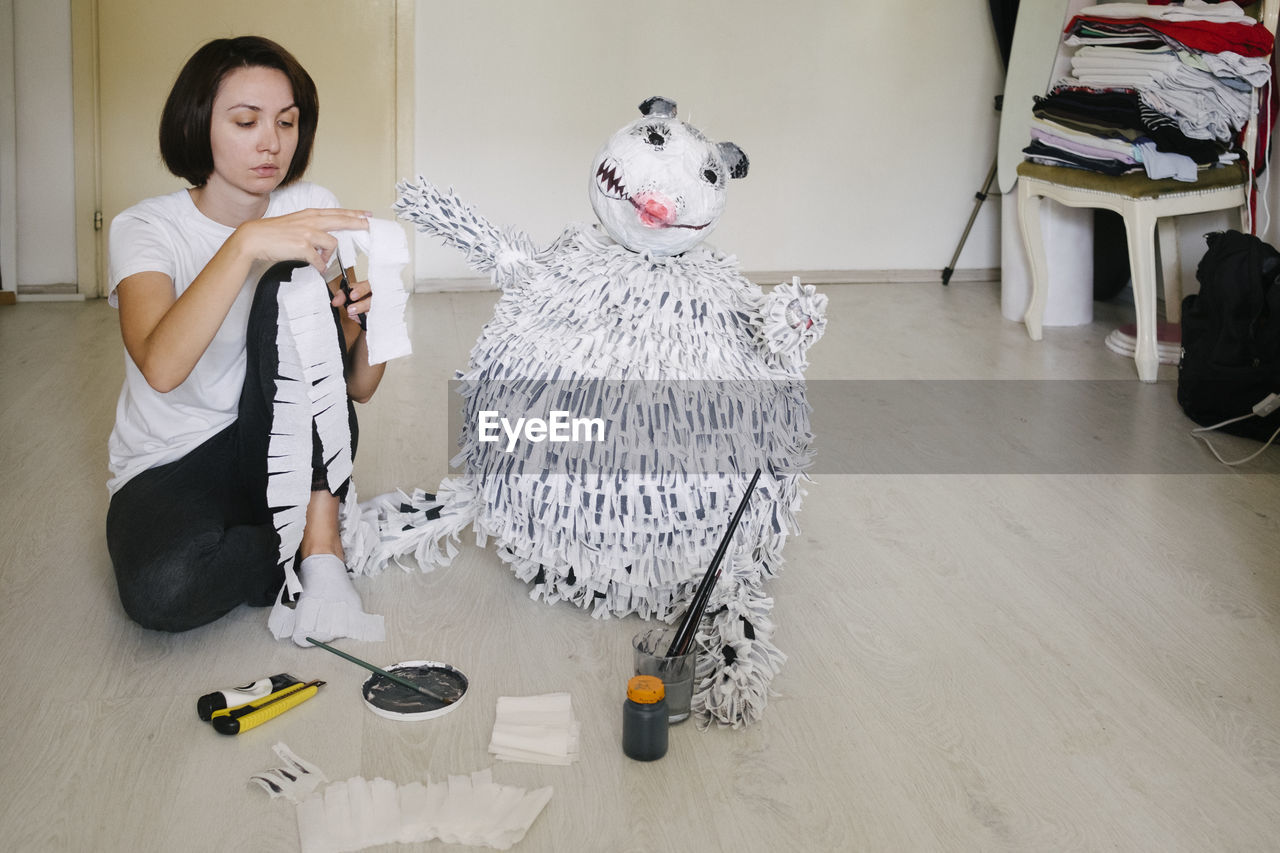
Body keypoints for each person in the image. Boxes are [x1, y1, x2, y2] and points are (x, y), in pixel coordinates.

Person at [105, 35, 384, 641]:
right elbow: (160, 365)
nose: (271, 142)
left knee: (290, 278)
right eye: (245, 121)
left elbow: (357, 389)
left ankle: (322, 549)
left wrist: (363, 321)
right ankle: (302, 532)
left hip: (274, 436)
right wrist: (246, 243)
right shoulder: (146, 228)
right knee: (162, 591)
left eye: (286, 122)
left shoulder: (310, 205)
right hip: (170, 459)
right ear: (199, 124)